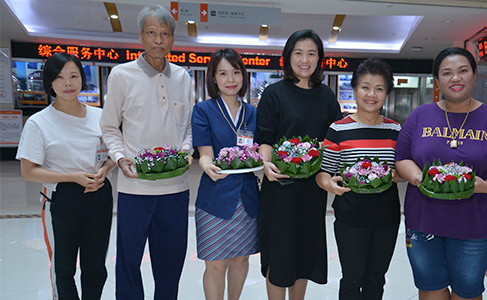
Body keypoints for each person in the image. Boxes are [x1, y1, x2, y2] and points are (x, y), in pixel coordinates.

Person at [394, 47, 487, 300]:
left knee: (467, 290)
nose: (455, 78)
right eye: (447, 73)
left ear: (474, 75)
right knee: (430, 286)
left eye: (462, 71)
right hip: (424, 219)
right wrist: (418, 177)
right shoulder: (420, 116)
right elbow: (402, 158)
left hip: (477, 220)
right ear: (438, 81)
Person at [99, 5, 193, 300]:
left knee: (171, 262)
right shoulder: (121, 75)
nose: (158, 40)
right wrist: (118, 156)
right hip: (134, 186)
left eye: (165, 34)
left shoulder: (183, 77)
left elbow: (187, 127)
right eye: (151, 32)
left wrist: (187, 151)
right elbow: (110, 126)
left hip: (176, 188)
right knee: (128, 262)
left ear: (172, 39)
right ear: (140, 36)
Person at [16, 52, 115, 300]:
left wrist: (104, 170)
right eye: (60, 78)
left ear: (82, 78)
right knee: (63, 269)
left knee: (95, 268)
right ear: (50, 83)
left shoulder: (100, 116)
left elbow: (115, 152)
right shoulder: (39, 123)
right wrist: (72, 177)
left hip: (98, 195)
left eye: (74, 76)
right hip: (61, 199)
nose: (68, 83)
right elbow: (28, 171)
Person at [256, 29, 342, 300]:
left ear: (319, 59)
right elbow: (265, 138)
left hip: (312, 190)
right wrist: (266, 164)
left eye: (312, 53)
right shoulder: (273, 94)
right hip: (279, 189)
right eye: (299, 53)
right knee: (278, 256)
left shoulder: (326, 95)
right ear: (288, 56)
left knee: (304, 255)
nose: (305, 59)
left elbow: (334, 139)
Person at [316, 58, 401, 300]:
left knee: (376, 279)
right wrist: (328, 184)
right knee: (352, 279)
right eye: (365, 87)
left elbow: (402, 171)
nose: (371, 94)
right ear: (354, 90)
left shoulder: (395, 130)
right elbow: (324, 173)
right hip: (350, 216)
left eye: (379, 88)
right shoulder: (338, 129)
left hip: (387, 216)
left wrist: (397, 176)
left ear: (386, 94)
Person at [191, 48, 259, 300]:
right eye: (223, 73)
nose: (230, 79)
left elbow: (259, 151)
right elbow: (205, 153)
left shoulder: (252, 113)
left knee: (241, 260)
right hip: (215, 198)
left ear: (243, 76)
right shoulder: (204, 110)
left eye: (235, 72)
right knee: (216, 263)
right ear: (214, 78)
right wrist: (207, 165)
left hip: (248, 198)